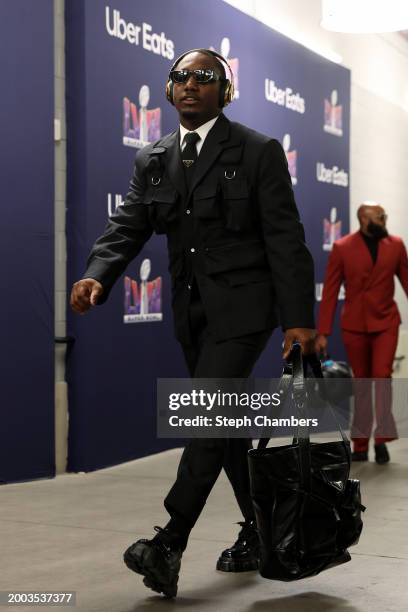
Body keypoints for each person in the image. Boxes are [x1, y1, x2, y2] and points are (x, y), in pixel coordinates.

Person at [70, 48, 316, 597]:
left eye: (204, 78)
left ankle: (170, 541)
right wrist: (98, 275)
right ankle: (259, 530)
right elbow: (127, 226)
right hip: (191, 311)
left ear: (224, 91)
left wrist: (299, 320)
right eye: (180, 77)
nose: (189, 85)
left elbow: (285, 238)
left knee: (207, 416)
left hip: (246, 311)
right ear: (167, 89)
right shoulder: (154, 158)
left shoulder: (257, 151)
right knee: (226, 426)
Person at [315, 203, 408, 464]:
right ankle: (359, 443)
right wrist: (323, 332)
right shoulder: (343, 247)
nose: (384, 219)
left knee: (382, 377)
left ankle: (381, 439)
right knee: (362, 383)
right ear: (364, 220)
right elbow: (331, 291)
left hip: (386, 322)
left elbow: (407, 280)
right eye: (380, 217)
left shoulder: (397, 244)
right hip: (354, 325)